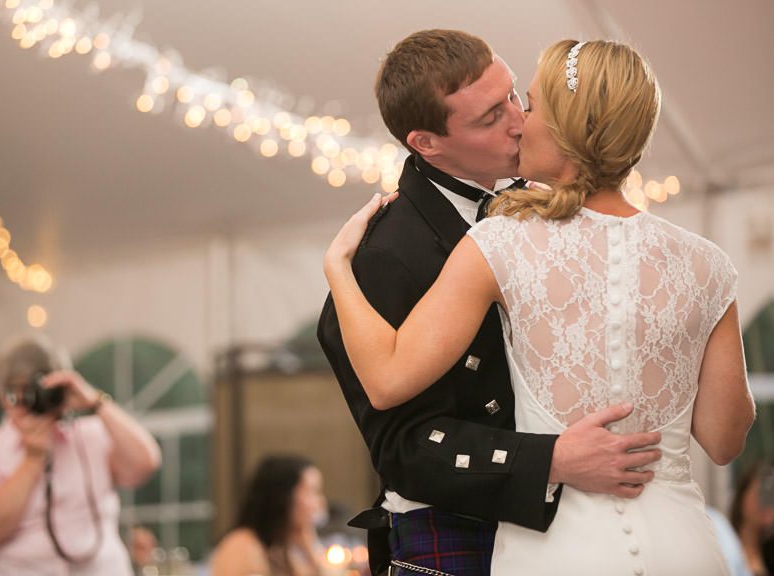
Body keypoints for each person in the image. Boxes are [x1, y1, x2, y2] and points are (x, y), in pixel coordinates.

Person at [324, 39, 755, 575]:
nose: (518, 121)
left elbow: (390, 378)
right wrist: (549, 458)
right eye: (495, 114)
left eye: (520, 99)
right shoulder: (706, 263)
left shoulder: (507, 235)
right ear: (427, 142)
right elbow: (723, 439)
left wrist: (334, 269)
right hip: (657, 540)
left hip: (561, 546)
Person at [0, 336, 162, 576]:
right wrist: (33, 458)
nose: (34, 401)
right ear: (2, 395)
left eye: (41, 390)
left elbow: (145, 464)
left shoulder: (91, 434)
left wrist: (95, 402)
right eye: (21, 392)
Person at [210, 456, 327, 576]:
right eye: (312, 491)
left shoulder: (281, 548)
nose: (320, 502)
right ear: (283, 497)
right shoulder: (241, 545)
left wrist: (309, 544)